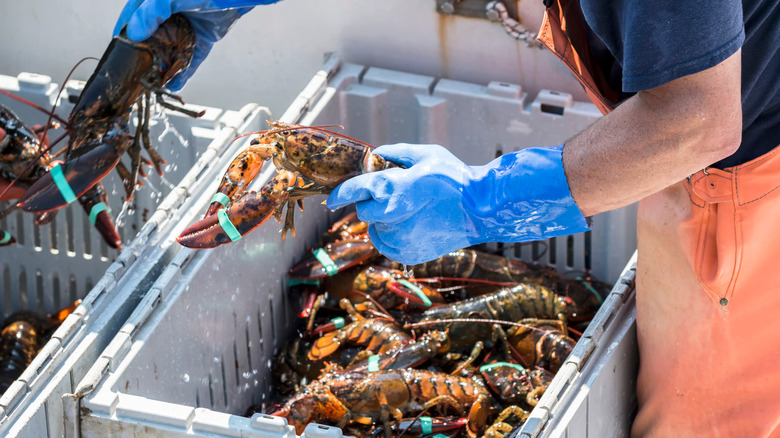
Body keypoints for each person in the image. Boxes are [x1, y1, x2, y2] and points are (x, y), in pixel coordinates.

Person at [114, 1, 780, 436]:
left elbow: (695, 119)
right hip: (679, 123)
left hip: (739, 169)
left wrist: (478, 201)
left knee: (703, 424)